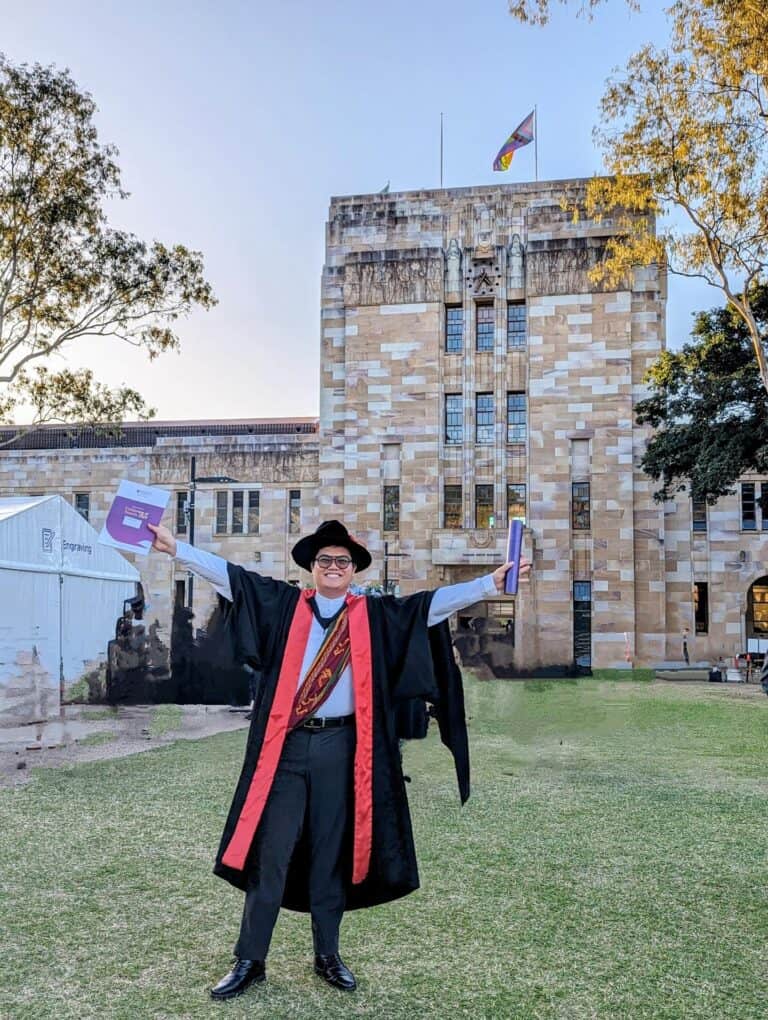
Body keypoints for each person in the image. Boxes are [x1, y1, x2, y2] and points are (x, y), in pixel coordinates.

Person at [148, 518, 529, 1000]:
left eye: (342, 561)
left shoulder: (373, 615)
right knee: (272, 851)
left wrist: (488, 584)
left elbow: (429, 607)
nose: (333, 567)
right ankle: (250, 959)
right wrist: (175, 548)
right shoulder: (285, 606)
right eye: (324, 560)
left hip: (344, 749)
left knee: (332, 852)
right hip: (286, 749)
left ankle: (327, 954)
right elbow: (231, 576)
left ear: (354, 571)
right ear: (311, 567)